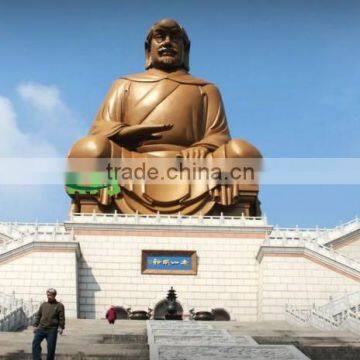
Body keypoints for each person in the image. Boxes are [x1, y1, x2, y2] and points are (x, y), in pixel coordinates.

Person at [67, 18, 262, 216]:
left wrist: (203, 147)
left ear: (184, 49)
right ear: (148, 48)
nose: (167, 42)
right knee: (88, 148)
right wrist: (126, 133)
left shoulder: (205, 89)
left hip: (191, 162)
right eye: (160, 37)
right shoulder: (125, 84)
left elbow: (219, 135)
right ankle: (92, 213)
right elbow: (99, 129)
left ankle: (236, 215)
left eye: (175, 38)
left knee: (242, 151)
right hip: (132, 160)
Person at [32, 288, 65, 360]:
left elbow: (61, 318)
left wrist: (61, 327)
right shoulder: (43, 304)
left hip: (52, 330)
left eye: (50, 295)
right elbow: (38, 315)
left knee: (51, 348)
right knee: (35, 344)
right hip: (41, 328)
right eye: (47, 295)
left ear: (54, 295)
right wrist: (35, 325)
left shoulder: (59, 305)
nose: (48, 297)